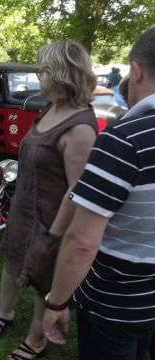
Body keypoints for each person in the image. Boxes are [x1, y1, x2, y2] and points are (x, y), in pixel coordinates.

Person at [42, 27, 155, 360]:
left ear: (136, 70)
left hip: (116, 306)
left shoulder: (125, 140)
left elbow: (81, 242)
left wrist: (57, 302)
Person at [0, 40, 98, 360]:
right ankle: (5, 313)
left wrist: (53, 236)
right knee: (11, 263)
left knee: (41, 283)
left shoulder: (80, 129)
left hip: (52, 221)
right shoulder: (52, 107)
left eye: (45, 69)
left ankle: (36, 341)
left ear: (62, 74)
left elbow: (77, 190)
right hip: (24, 209)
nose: (39, 75)